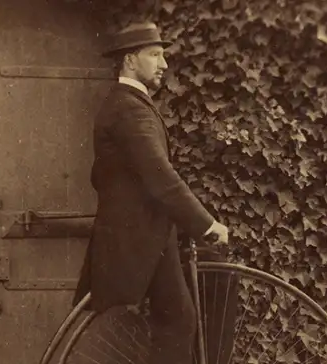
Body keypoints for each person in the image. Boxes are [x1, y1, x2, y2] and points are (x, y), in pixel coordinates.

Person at [73, 21, 231, 364]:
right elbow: (162, 178)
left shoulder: (129, 104)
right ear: (130, 60)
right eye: (155, 55)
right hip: (138, 240)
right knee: (177, 321)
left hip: (152, 238)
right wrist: (206, 225)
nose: (164, 65)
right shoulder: (128, 109)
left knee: (179, 319)